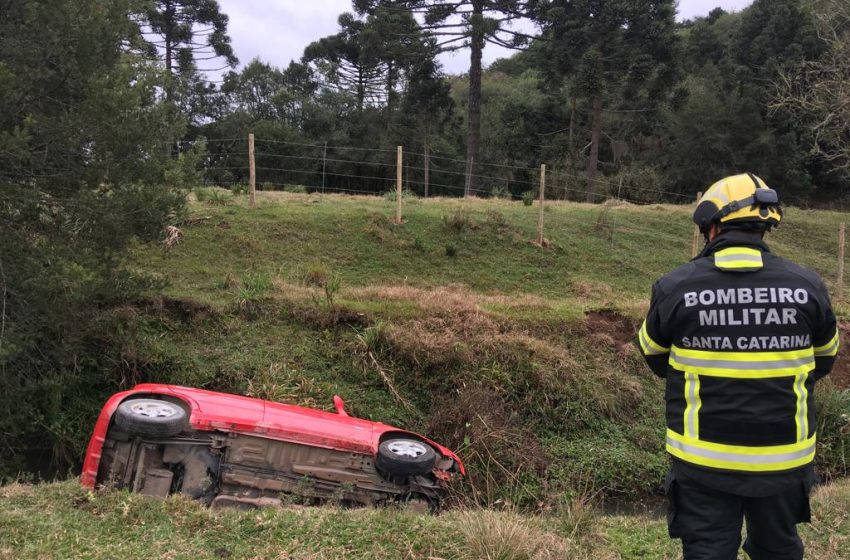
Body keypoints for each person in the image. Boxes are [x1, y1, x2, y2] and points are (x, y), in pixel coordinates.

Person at [638, 173, 840, 560]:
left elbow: (654, 354)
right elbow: (824, 360)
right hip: (785, 460)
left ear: (713, 227)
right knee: (778, 549)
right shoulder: (808, 286)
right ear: (763, 228)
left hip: (703, 461)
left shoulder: (676, 286)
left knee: (708, 552)